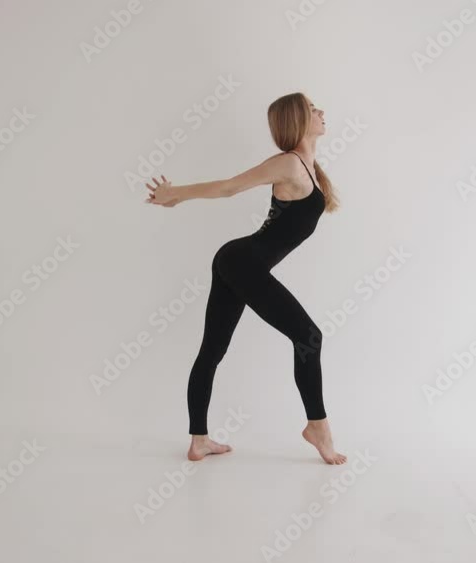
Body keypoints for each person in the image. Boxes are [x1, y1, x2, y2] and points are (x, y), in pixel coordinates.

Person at [145, 92, 346, 465]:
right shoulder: (288, 164)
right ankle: (317, 426)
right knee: (308, 337)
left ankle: (199, 441)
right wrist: (175, 195)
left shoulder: (310, 167)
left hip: (237, 260)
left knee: (213, 350)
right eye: (313, 108)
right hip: (242, 261)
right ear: (298, 120)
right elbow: (229, 187)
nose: (321, 112)